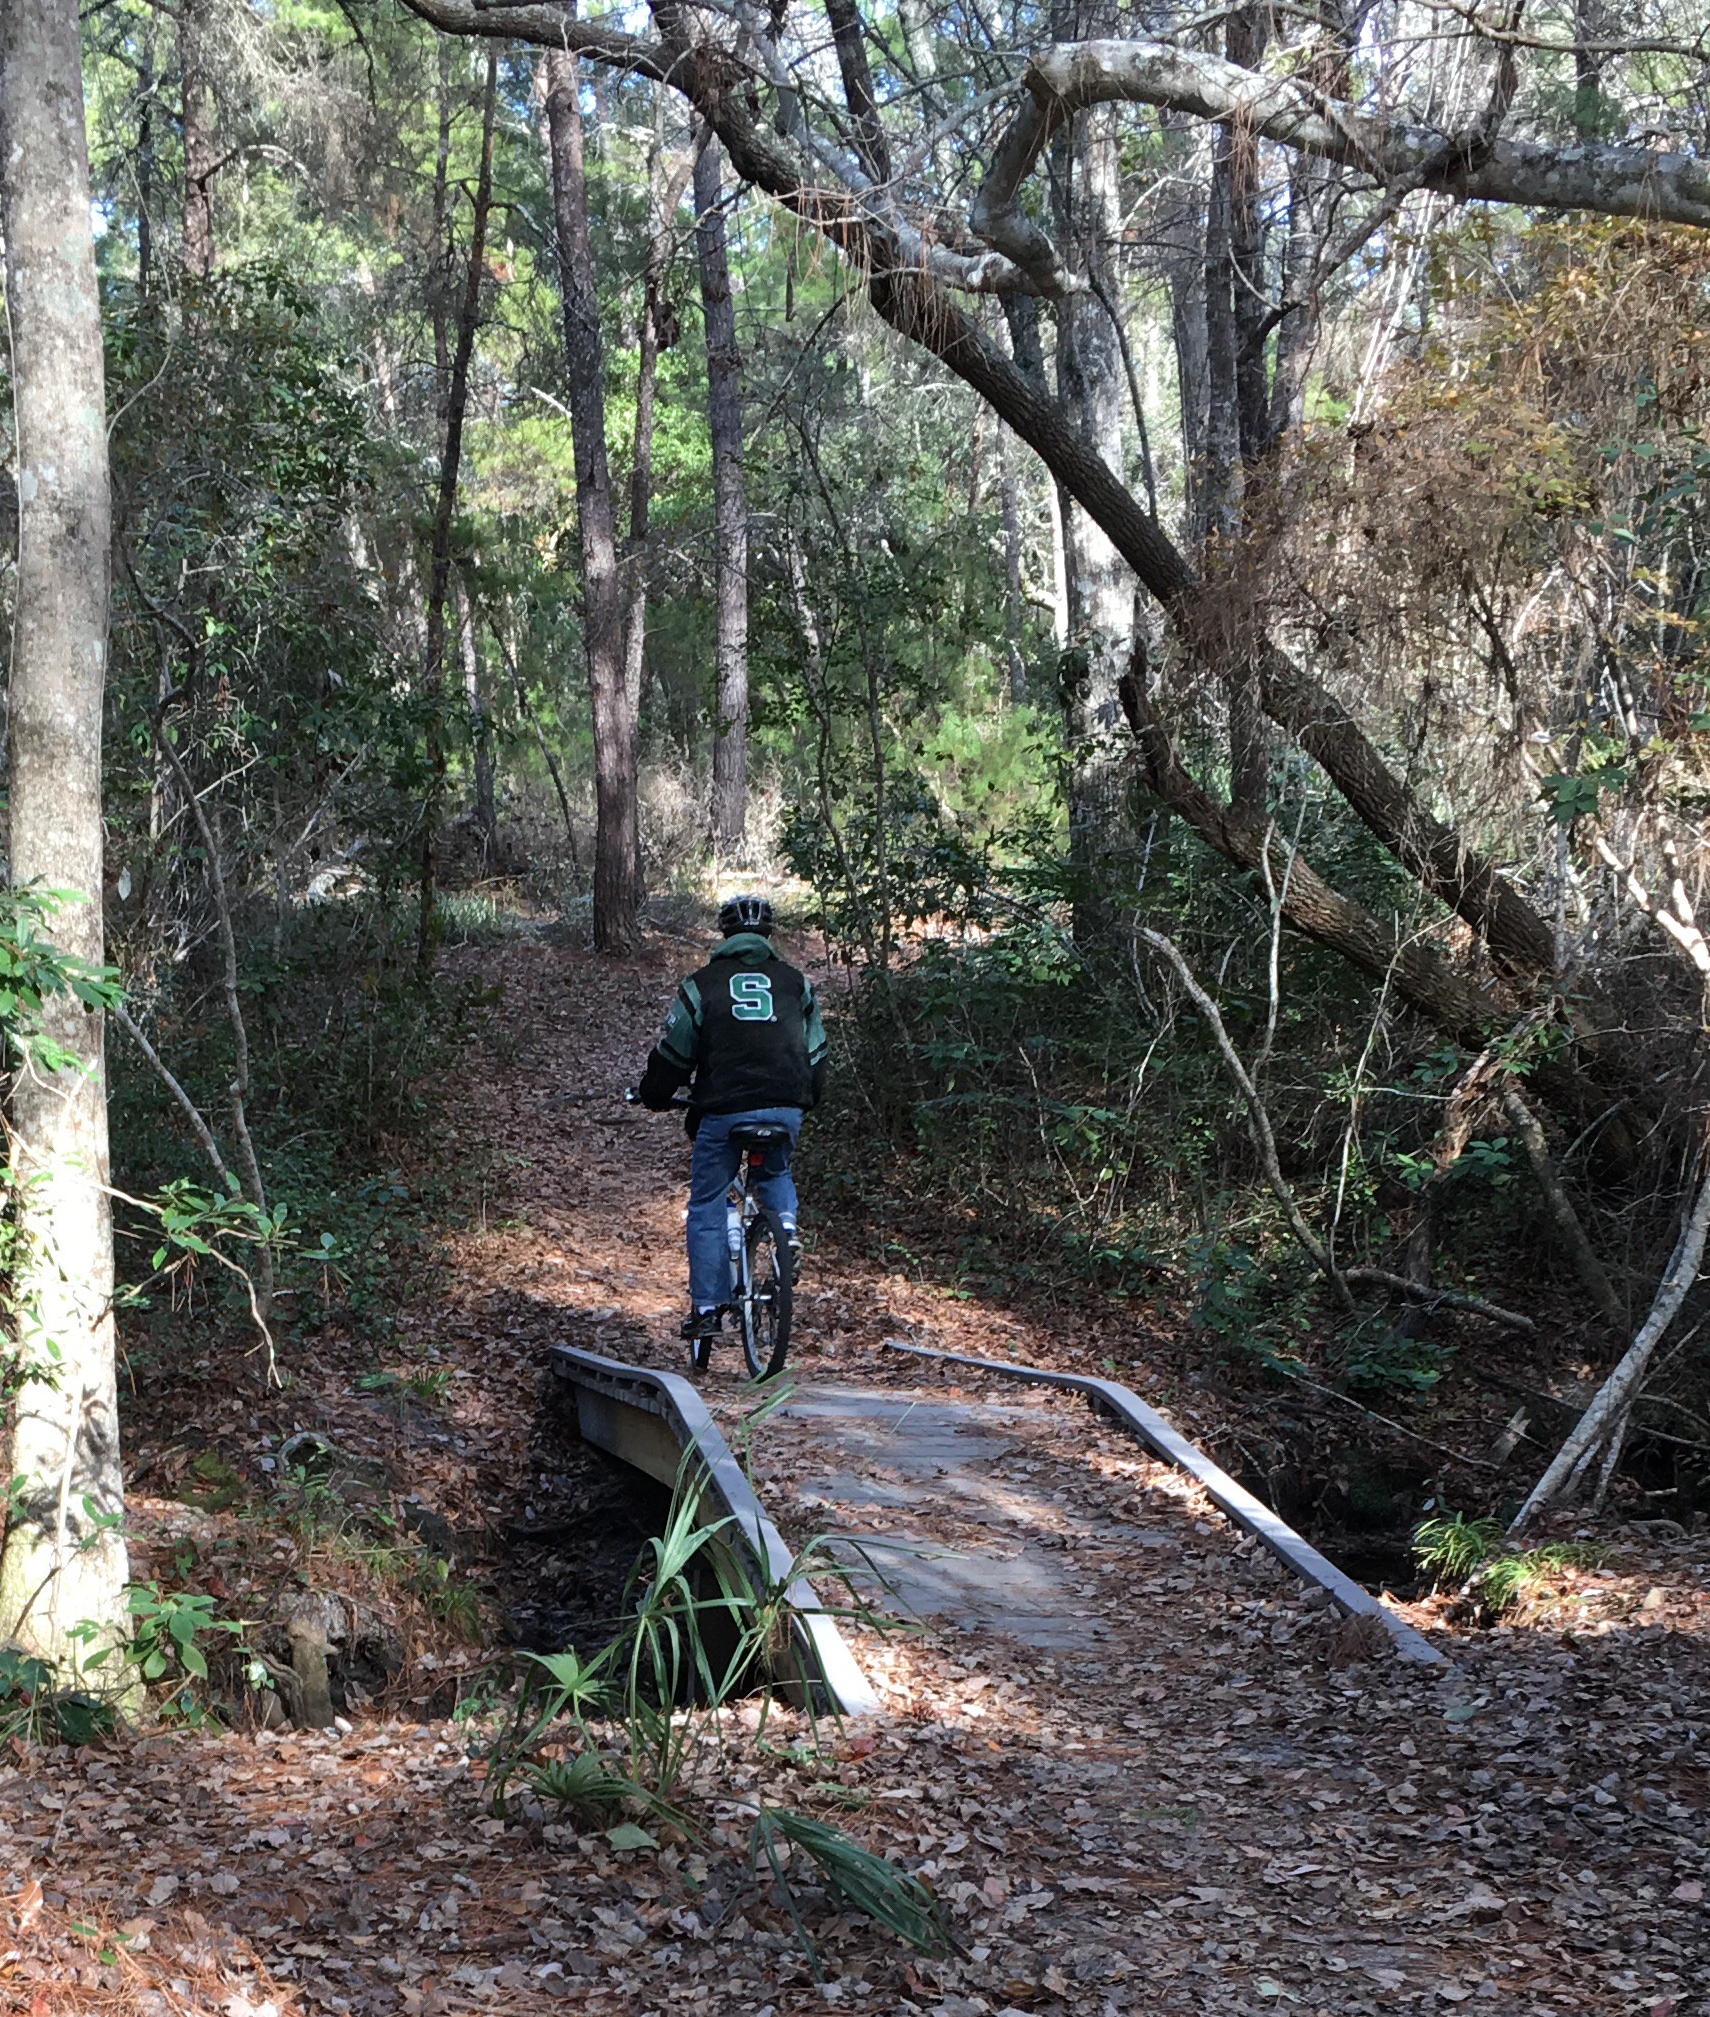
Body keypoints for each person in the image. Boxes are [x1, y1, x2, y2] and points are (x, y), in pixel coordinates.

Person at [635, 895, 828, 1343]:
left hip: (722, 1111)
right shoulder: (796, 983)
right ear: (768, 936)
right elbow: (817, 1052)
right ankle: (785, 1229)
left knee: (706, 1203)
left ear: (724, 935)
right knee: (775, 1168)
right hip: (785, 1105)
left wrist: (655, 1093)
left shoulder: (701, 985)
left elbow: (674, 1052)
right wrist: (808, 1099)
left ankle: (705, 1308)